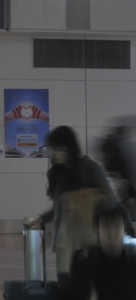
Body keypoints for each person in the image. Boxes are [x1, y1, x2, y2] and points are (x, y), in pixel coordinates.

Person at [30, 127, 127, 293]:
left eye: (59, 148)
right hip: (65, 242)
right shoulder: (58, 172)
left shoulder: (90, 167)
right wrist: (43, 217)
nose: (55, 153)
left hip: (90, 243)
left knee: (89, 289)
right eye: (52, 148)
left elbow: (110, 201)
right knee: (67, 288)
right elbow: (61, 206)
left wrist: (85, 203)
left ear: (70, 147)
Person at [68, 205, 136, 300]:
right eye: (106, 226)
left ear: (124, 230)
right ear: (98, 231)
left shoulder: (132, 264)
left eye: (116, 225)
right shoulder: (85, 262)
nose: (112, 233)